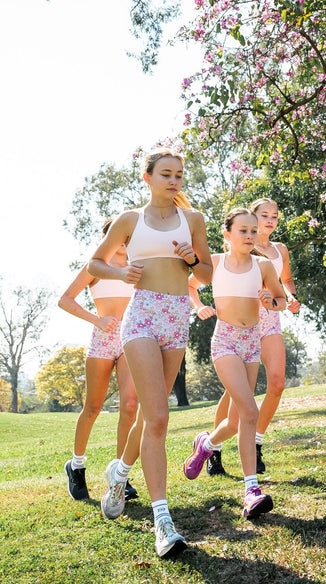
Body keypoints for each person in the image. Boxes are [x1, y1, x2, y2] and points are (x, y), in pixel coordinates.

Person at [87, 148, 212, 559]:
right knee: (157, 415)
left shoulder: (193, 219)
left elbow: (207, 274)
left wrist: (191, 258)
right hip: (140, 315)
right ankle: (163, 522)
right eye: (166, 174)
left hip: (176, 317)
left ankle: (119, 473)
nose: (174, 181)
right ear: (148, 177)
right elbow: (95, 263)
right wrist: (121, 272)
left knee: (149, 416)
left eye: (179, 174)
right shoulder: (130, 220)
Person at [182, 207, 286, 518]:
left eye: (254, 231)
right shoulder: (214, 263)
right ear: (227, 234)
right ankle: (251, 490)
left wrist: (271, 301)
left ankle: (206, 443)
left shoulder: (264, 265)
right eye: (243, 230)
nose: (250, 236)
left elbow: (280, 300)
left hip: (251, 341)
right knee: (250, 410)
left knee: (237, 420)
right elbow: (189, 285)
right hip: (225, 340)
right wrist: (199, 306)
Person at [204, 197, 300, 476]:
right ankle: (216, 450)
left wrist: (290, 298)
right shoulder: (237, 249)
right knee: (237, 393)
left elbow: (286, 282)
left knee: (277, 383)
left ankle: (254, 441)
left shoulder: (277, 251)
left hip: (268, 319)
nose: (269, 220)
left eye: (275, 216)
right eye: (263, 215)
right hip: (237, 324)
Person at [60, 219, 138, 502]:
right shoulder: (94, 266)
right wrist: (97, 319)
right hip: (102, 339)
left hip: (132, 337)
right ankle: (76, 466)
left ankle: (120, 476)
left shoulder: (137, 267)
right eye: (115, 235)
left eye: (126, 235)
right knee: (92, 407)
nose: (122, 240)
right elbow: (65, 299)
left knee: (130, 406)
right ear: (105, 237)